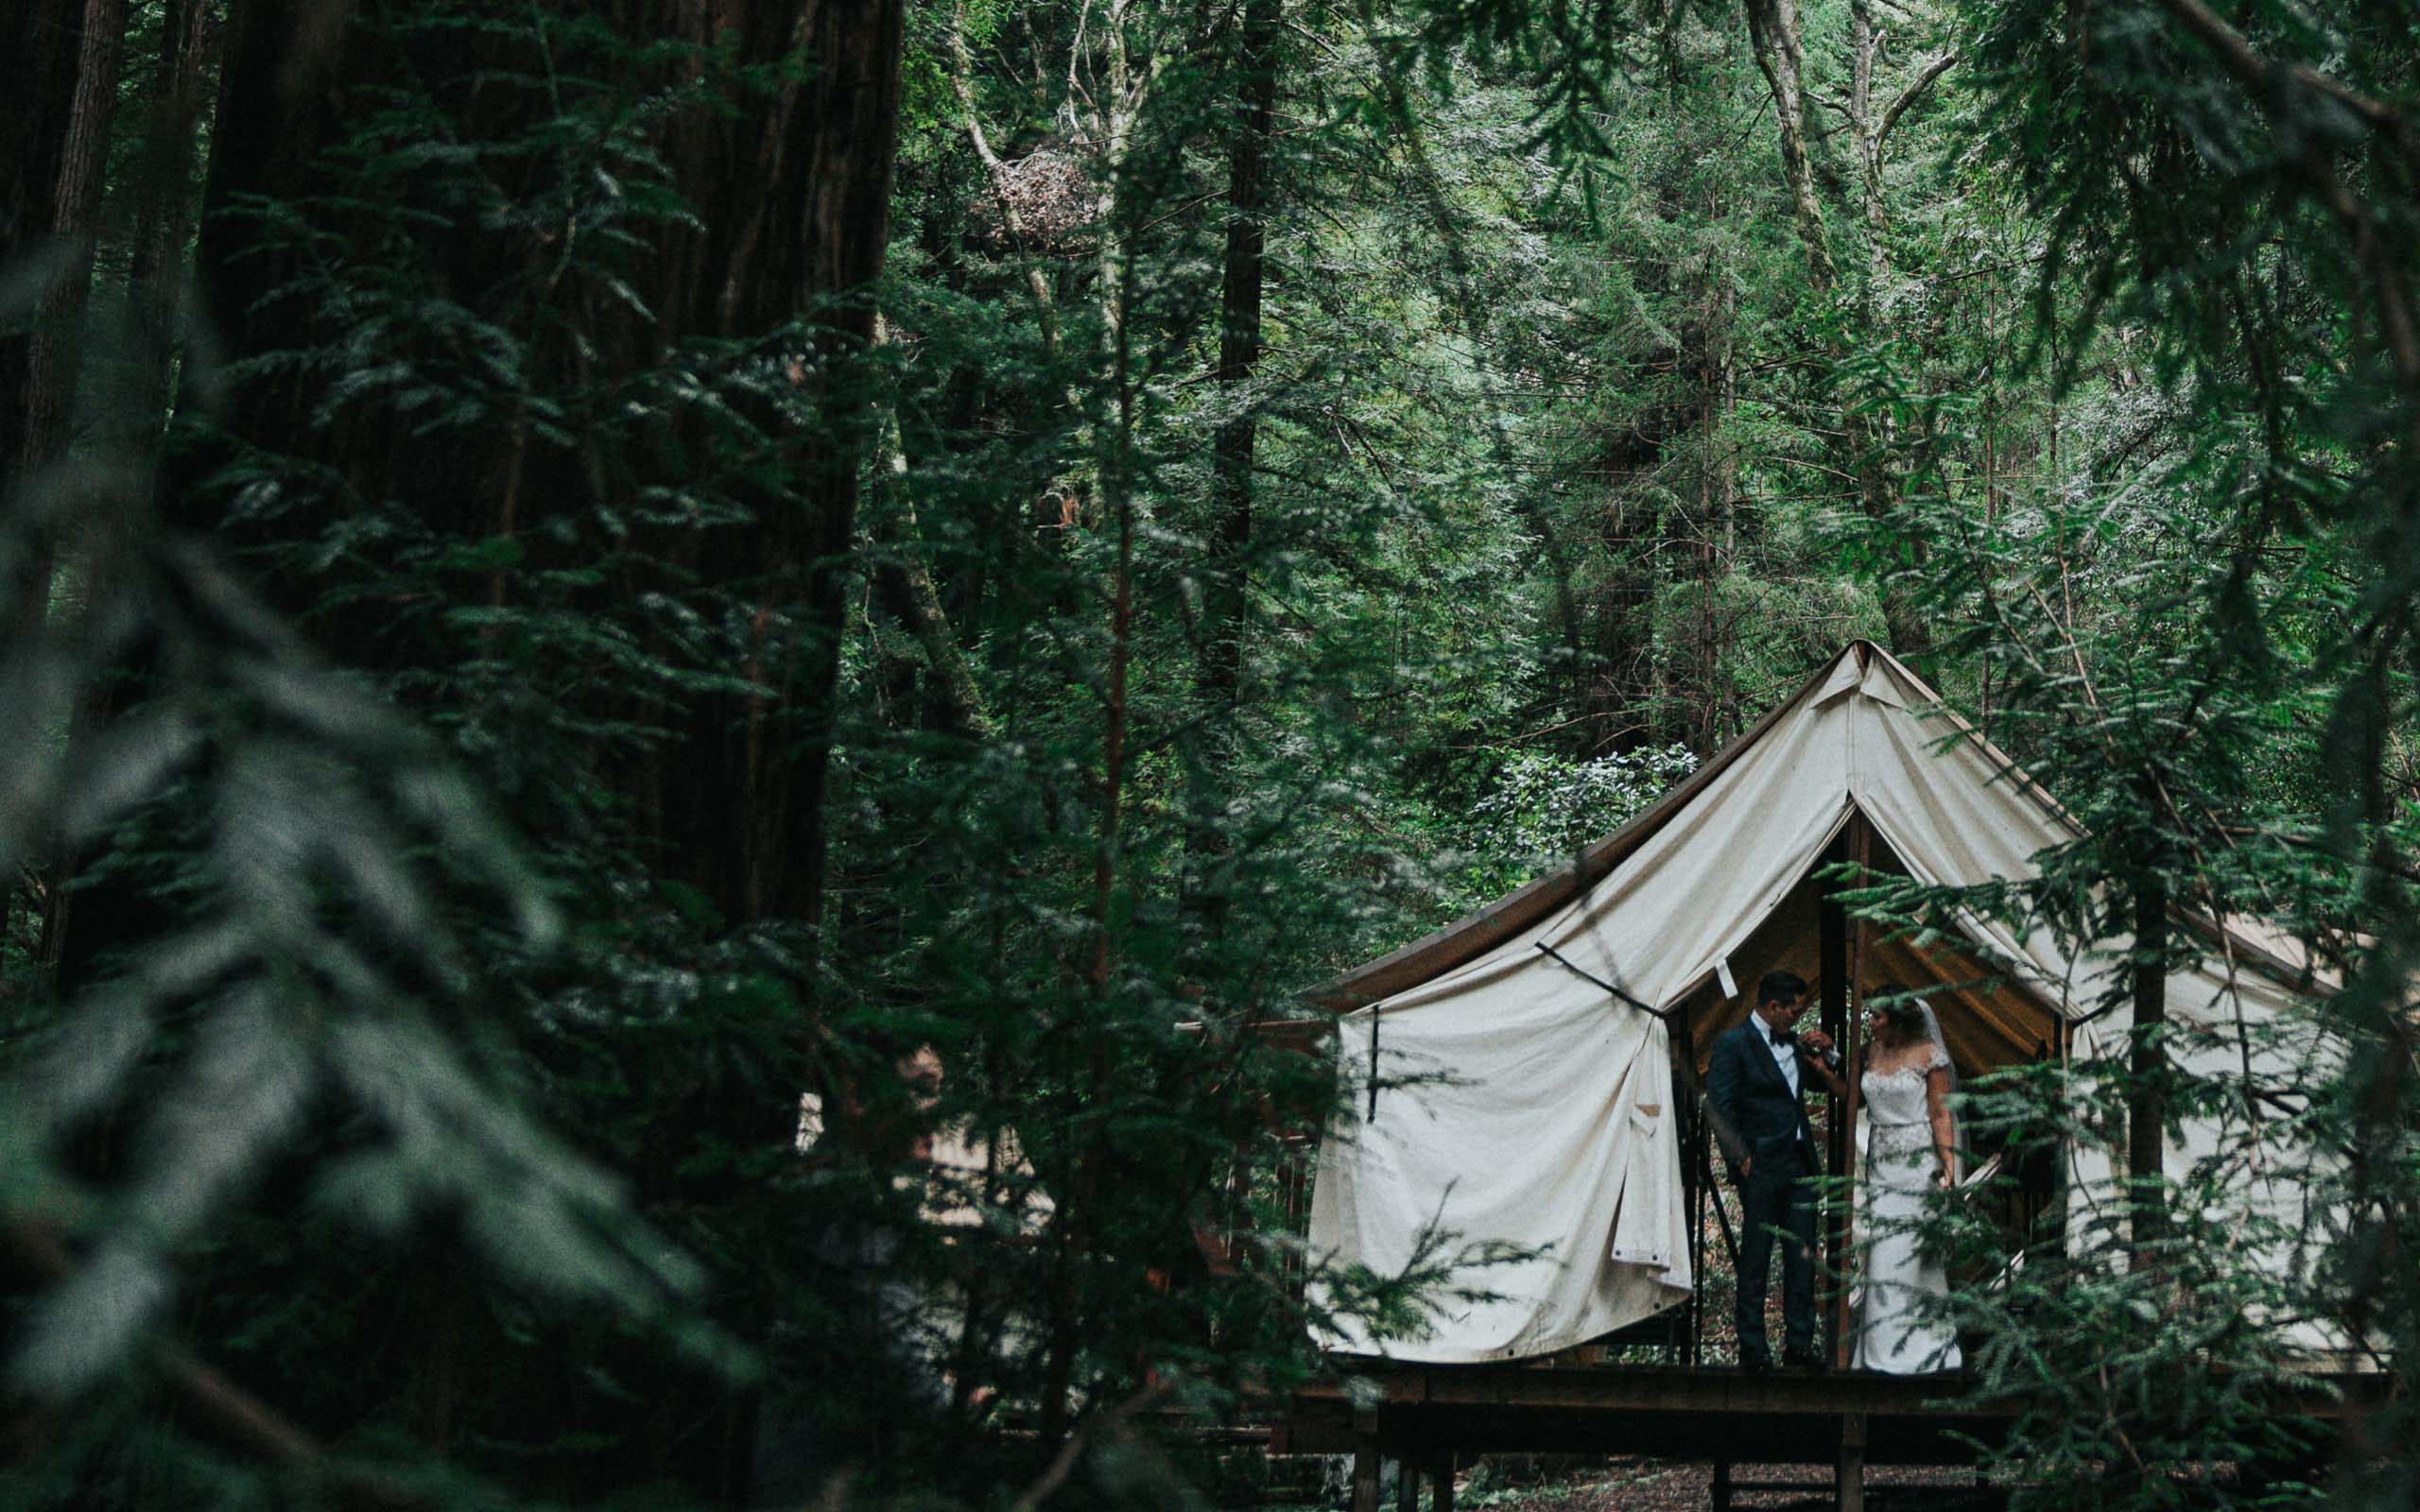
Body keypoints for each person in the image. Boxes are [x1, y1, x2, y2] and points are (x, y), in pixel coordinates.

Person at [1706, 969, 1845, 1371]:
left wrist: (1830, 1049)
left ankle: (1799, 1345)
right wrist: (1741, 1158)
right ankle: (1753, 1347)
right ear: (1773, 1007)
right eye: (1794, 1011)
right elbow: (1718, 1106)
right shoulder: (1733, 1044)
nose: (1798, 1018)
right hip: (1760, 1166)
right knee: (1757, 1256)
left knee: (1802, 1255)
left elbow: (1828, 1083)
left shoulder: (1797, 1045)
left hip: (1800, 1164)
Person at [1849, 987, 1963, 1374]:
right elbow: (1856, 1101)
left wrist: (1948, 1162)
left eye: (1877, 1017)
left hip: (1917, 1165)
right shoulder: (1871, 1053)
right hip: (1881, 1164)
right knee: (1882, 1252)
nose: (1871, 1023)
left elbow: (1940, 1113)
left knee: (1915, 1256)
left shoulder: (1929, 1056)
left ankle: (1928, 1348)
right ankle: (1882, 1353)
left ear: (1897, 1018)